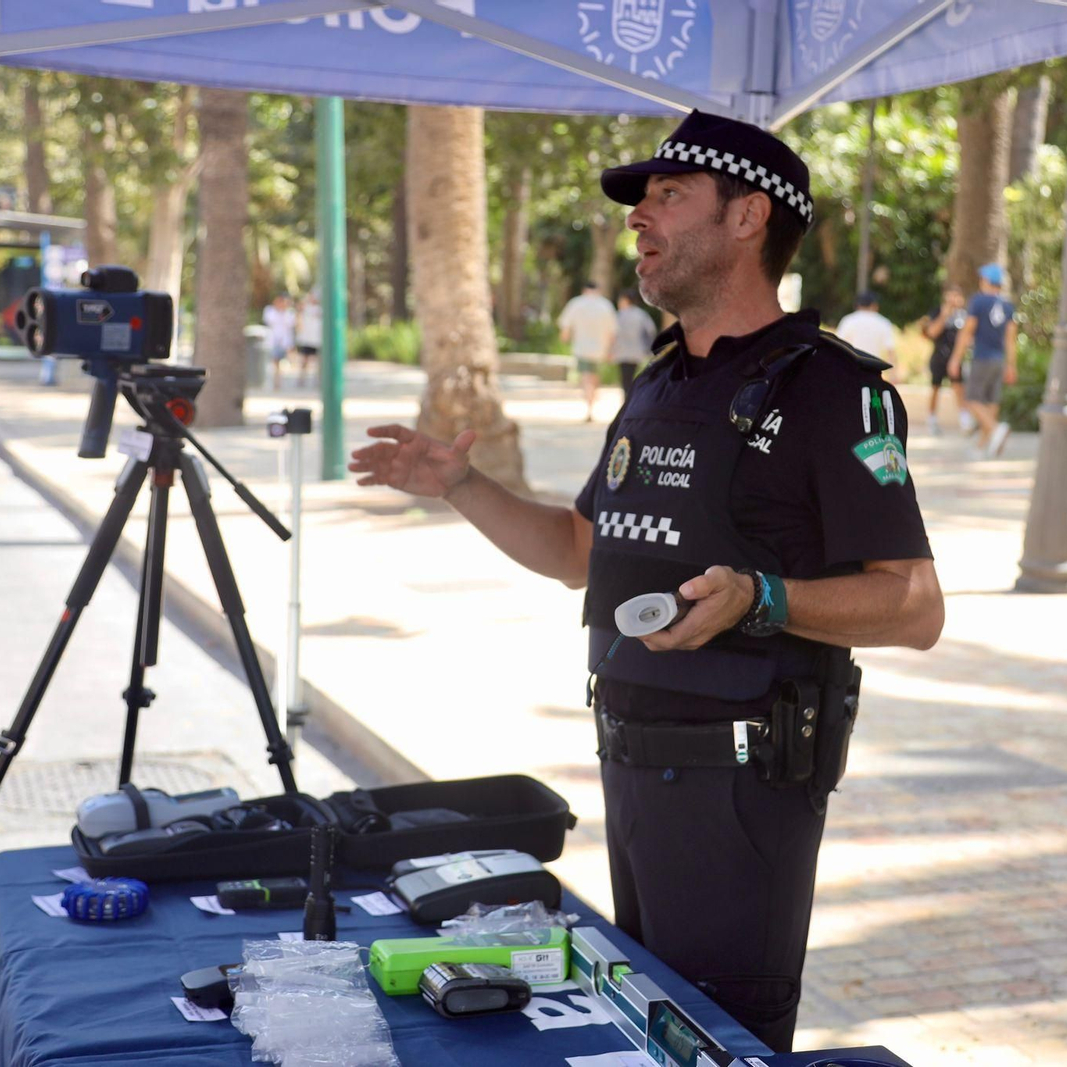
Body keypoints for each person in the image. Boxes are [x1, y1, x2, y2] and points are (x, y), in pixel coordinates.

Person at [349, 110, 943, 1052]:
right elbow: (582, 548)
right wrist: (459, 484)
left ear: (748, 218)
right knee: (645, 1035)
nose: (640, 219)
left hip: (741, 790)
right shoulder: (658, 382)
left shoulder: (835, 391)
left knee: (717, 1041)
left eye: (669, 196)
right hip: (627, 769)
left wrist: (766, 598)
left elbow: (915, 606)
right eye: (643, 202)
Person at [948, 262, 1017, 458]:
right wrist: (1011, 365)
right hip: (999, 360)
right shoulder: (1007, 305)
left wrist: (955, 358)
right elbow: (1010, 340)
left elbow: (967, 331)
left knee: (971, 399)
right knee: (991, 402)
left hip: (982, 358)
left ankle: (996, 429)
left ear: (987, 281)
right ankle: (982, 447)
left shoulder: (978, 302)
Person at [558, 280, 618, 422]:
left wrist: (564, 338)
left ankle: (589, 404)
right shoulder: (605, 305)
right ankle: (592, 402)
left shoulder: (576, 303)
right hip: (600, 349)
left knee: (585, 376)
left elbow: (565, 325)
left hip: (581, 347)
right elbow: (613, 331)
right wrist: (611, 349)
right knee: (595, 376)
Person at [921, 281, 970, 436]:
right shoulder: (937, 312)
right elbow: (931, 332)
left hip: (955, 357)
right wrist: (944, 314)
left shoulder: (964, 315)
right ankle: (932, 418)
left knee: (959, 387)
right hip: (939, 356)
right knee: (935, 387)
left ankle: (965, 421)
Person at [612, 288, 656, 402]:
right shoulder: (641, 315)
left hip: (621, 351)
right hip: (638, 351)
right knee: (634, 376)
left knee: (625, 378)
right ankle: (631, 399)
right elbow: (651, 331)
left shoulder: (618, 315)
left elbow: (612, 334)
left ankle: (626, 399)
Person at [835, 291, 898, 368]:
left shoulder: (848, 320)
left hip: (851, 367)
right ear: (874, 305)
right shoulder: (883, 322)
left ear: (858, 305)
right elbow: (890, 350)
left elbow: (837, 345)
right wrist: (894, 374)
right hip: (873, 368)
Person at [263, 293, 296, 391]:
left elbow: (291, 324)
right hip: (273, 341)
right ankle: (276, 383)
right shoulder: (270, 311)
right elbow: (269, 321)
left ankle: (279, 381)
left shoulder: (289, 313)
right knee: (275, 362)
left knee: (285, 362)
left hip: (285, 342)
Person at [295, 290, 322, 388]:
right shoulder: (305, 308)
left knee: (318, 362)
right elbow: (298, 313)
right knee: (304, 361)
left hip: (317, 340)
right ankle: (301, 380)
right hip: (306, 340)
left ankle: (318, 380)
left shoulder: (320, 309)